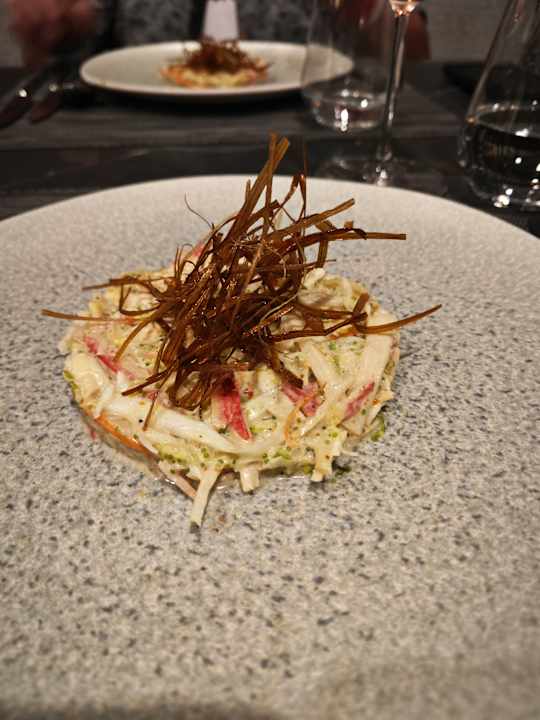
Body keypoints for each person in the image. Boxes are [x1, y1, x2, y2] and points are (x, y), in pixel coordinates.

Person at [5, 0, 429, 67]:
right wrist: (53, 21)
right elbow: (77, 24)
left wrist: (373, 11)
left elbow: (413, 48)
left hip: (296, 130)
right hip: (142, 126)